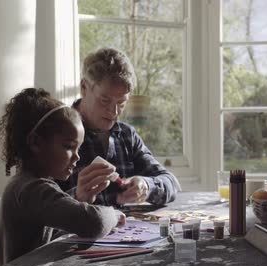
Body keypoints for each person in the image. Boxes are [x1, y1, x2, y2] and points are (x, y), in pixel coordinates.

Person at [0, 88, 126, 265]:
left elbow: (55, 213)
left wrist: (79, 198)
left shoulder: (29, 183)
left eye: (78, 148)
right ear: (36, 143)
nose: (77, 156)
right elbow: (94, 222)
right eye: (68, 146)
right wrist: (115, 214)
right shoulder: (31, 189)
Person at [56, 47, 180, 207]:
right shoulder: (57, 134)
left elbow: (171, 183)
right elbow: (39, 208)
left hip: (129, 231)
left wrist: (146, 186)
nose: (114, 112)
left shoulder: (127, 135)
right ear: (84, 88)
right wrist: (78, 197)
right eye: (105, 100)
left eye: (121, 103)